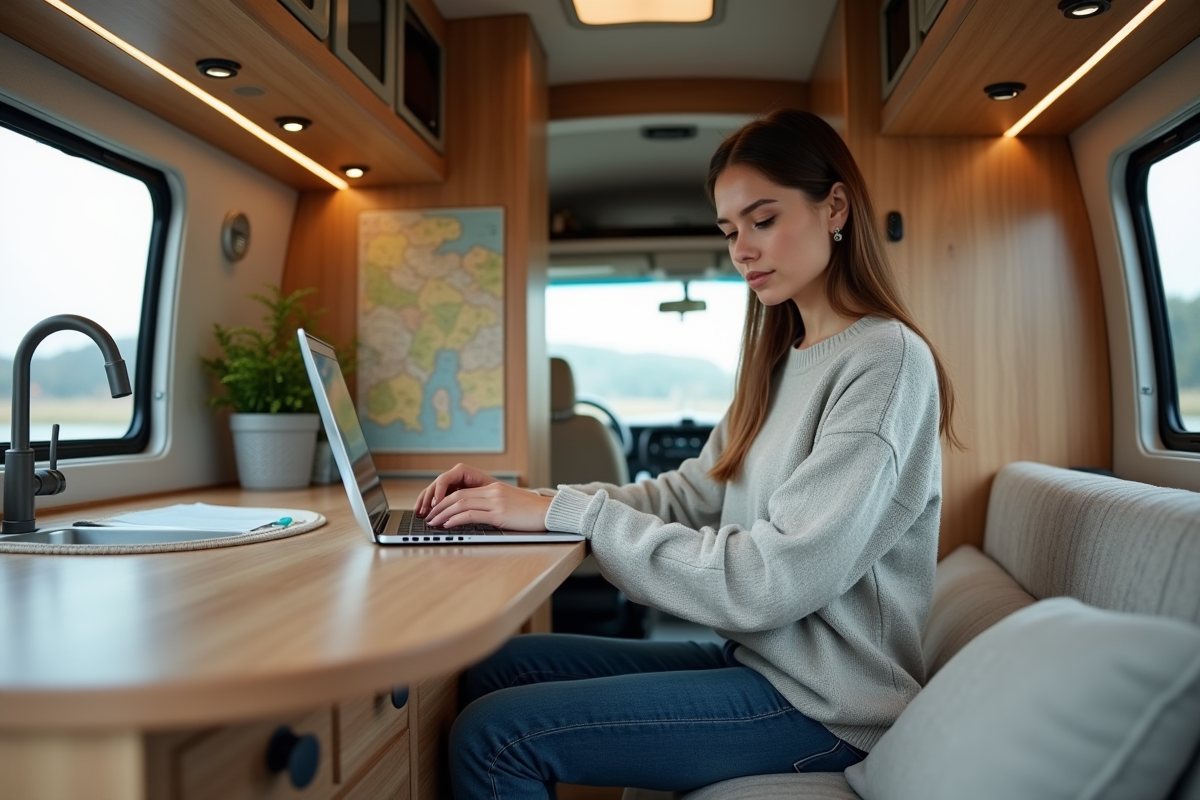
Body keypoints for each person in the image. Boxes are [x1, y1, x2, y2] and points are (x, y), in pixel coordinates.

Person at [416, 108, 959, 799]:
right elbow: (689, 494)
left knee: (496, 736)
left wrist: (572, 517)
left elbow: (769, 580)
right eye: (731, 231)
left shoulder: (886, 361)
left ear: (835, 207)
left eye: (763, 221)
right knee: (499, 667)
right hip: (760, 664)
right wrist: (531, 504)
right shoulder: (778, 361)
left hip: (829, 707)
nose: (742, 249)